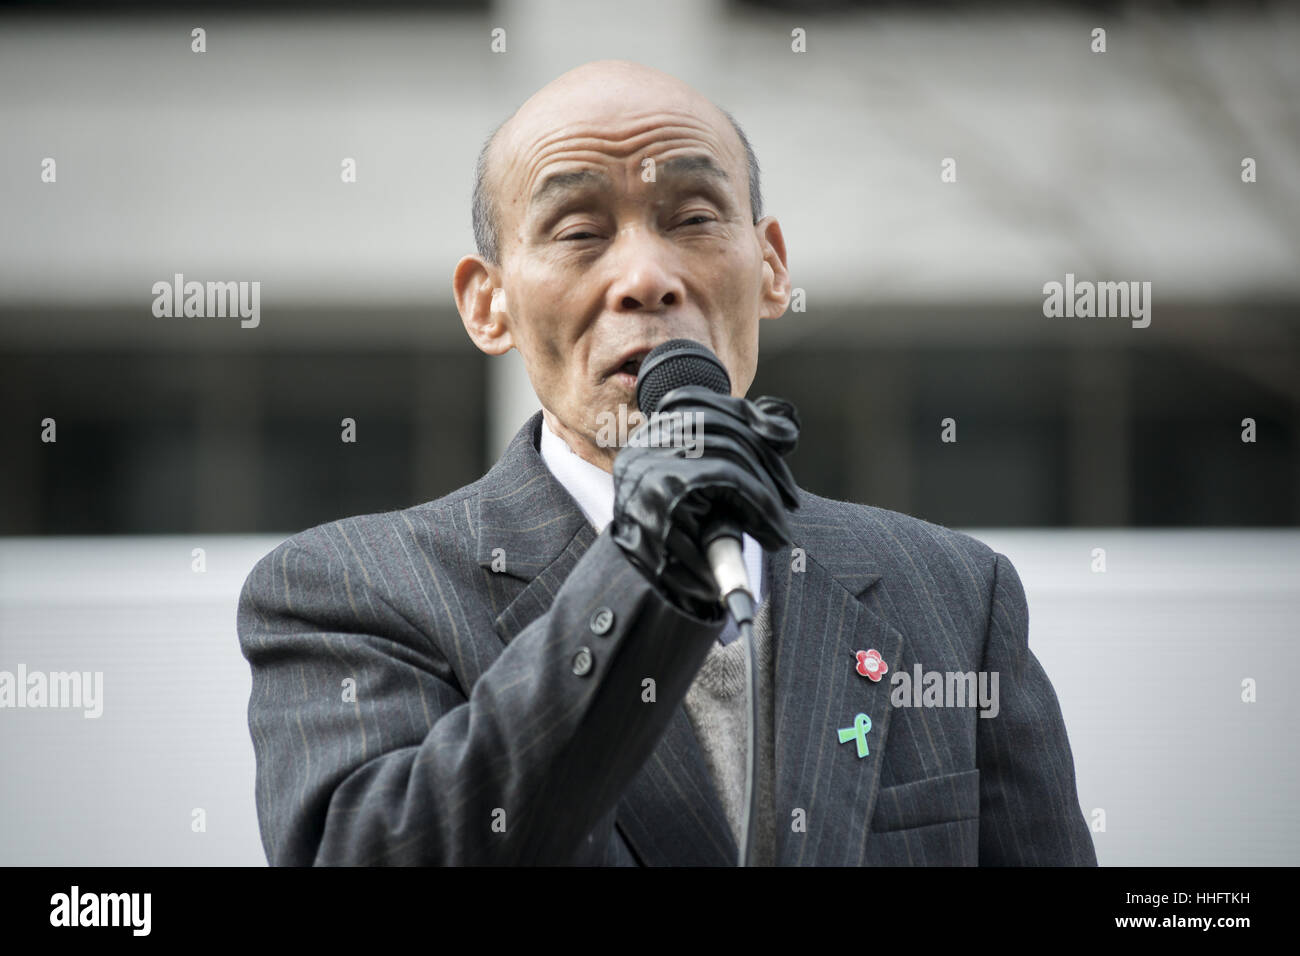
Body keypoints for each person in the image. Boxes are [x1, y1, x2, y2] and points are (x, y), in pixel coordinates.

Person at [237, 59, 1096, 866]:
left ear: (771, 267)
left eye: (693, 218)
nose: (647, 278)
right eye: (578, 230)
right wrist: (641, 568)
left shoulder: (954, 593)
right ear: (487, 303)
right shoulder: (347, 591)